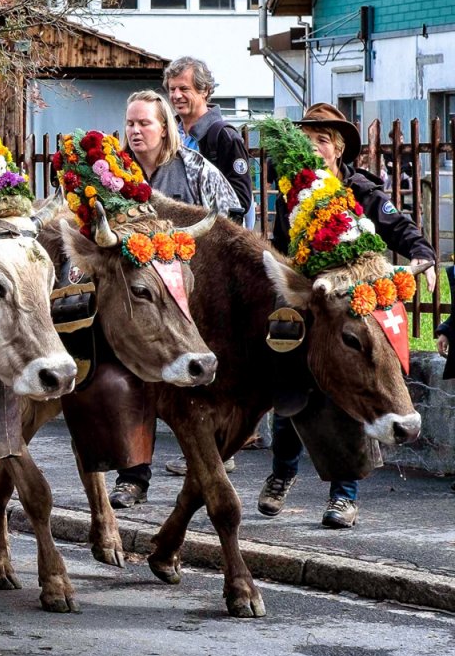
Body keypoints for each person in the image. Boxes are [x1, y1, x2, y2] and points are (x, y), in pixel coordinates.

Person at [259, 103, 438, 528]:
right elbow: (283, 249)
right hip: (312, 307)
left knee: (353, 394)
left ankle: (344, 496)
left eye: (322, 140)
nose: (314, 148)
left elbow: (403, 230)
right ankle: (282, 473)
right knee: (291, 393)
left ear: (338, 149)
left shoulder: (360, 189)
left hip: (354, 312)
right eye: (307, 140)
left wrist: (424, 257)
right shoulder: (292, 193)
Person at [107, 89, 243, 510]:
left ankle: (208, 468)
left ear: (164, 128)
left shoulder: (195, 169)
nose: (135, 130)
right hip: (135, 299)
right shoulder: (114, 174)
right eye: (130, 123)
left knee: (191, 392)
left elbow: (230, 220)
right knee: (131, 382)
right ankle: (132, 476)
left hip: (190, 297)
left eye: (144, 123)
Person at [164, 56, 254, 222]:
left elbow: (241, 201)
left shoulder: (224, 137)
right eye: (172, 89)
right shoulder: (168, 134)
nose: (176, 95)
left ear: (204, 90)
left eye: (184, 89)